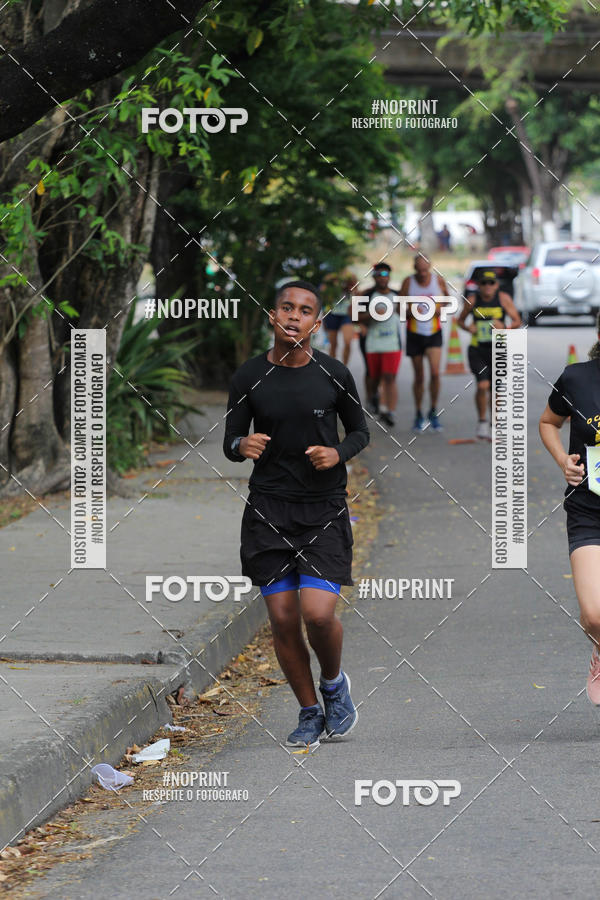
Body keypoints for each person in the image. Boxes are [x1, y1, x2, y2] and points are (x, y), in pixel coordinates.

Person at [223, 280, 369, 748]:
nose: (294, 316)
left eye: (305, 311)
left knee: (318, 615)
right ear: (272, 314)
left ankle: (333, 684)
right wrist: (240, 445)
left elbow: (361, 430)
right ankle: (309, 711)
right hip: (268, 509)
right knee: (284, 619)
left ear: (316, 323)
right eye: (287, 307)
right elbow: (230, 438)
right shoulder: (249, 376)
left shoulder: (334, 373)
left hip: (323, 509)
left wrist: (338, 452)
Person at [539, 316, 600, 705]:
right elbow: (548, 422)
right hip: (588, 511)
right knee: (595, 616)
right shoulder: (577, 378)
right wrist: (564, 460)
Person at [456, 269, 521, 440]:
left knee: (496, 390)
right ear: (479, 285)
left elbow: (517, 321)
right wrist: (468, 327)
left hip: (498, 349)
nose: (487, 286)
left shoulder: (503, 299)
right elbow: (460, 320)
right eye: (484, 283)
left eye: (491, 283)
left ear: (496, 285)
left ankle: (495, 423)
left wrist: (505, 328)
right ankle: (482, 421)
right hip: (478, 349)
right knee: (483, 385)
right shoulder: (472, 300)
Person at [400, 254, 450, 432]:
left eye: (425, 269)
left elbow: (448, 301)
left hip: (433, 332)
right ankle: (419, 413)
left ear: (430, 266)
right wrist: (411, 311)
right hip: (414, 332)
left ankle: (433, 411)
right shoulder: (408, 282)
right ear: (414, 268)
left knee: (435, 373)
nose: (422, 273)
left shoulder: (438, 281)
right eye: (419, 270)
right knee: (419, 376)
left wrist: (439, 310)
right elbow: (399, 306)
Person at [360, 262, 402, 427]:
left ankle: (388, 410)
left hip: (392, 342)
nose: (382, 278)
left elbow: (408, 312)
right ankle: (371, 398)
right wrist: (370, 315)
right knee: (373, 376)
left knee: (389, 377)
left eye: (385, 275)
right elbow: (353, 315)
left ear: (390, 277)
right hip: (372, 341)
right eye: (379, 274)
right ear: (374, 276)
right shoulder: (367, 295)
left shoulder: (397, 295)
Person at [322, 274, 357, 366]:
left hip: (347, 313)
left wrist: (347, 281)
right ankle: (333, 369)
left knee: (348, 341)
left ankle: (344, 368)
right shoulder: (331, 282)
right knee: (333, 344)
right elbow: (324, 297)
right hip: (332, 313)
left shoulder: (350, 279)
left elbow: (356, 288)